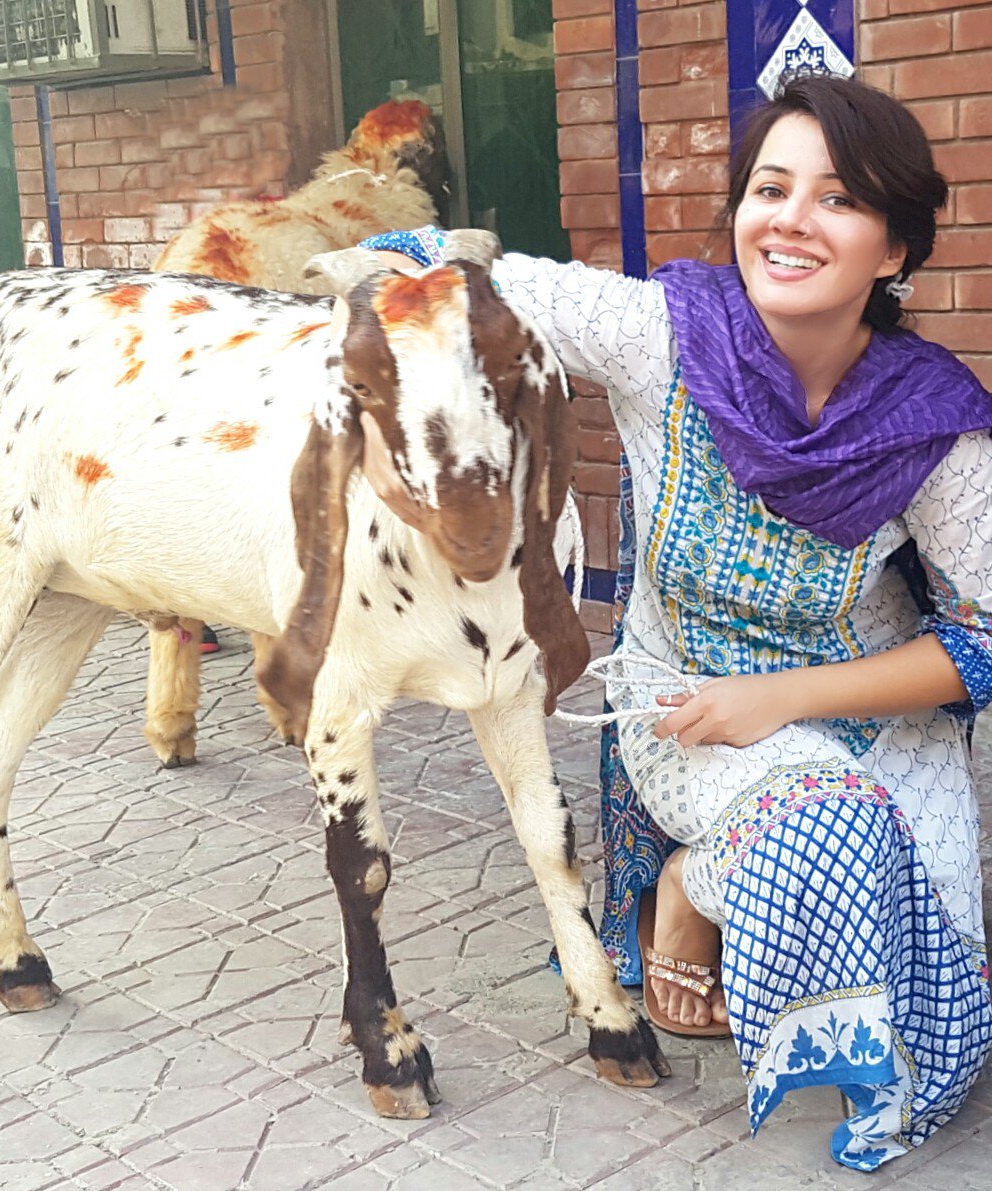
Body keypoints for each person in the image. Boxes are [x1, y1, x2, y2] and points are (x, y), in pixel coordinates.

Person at [357, 73, 992, 1171]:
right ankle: (689, 894)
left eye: (838, 199)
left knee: (938, 1017)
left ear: (893, 250)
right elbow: (432, 267)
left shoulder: (929, 422)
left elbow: (985, 637)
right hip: (684, 703)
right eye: (769, 189)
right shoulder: (664, 337)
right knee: (826, 833)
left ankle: (702, 887)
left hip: (875, 709)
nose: (791, 221)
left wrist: (781, 698)